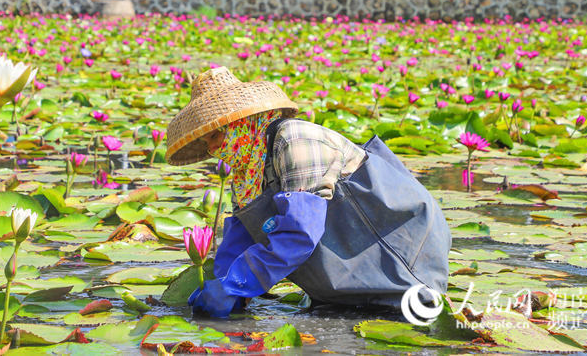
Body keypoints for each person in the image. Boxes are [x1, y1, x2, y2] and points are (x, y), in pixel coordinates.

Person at [165, 67, 450, 317]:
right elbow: (240, 239)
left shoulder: (295, 140)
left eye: (216, 135)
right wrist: (224, 284)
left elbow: (300, 234)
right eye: (206, 142)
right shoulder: (245, 174)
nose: (212, 149)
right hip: (343, 291)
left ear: (241, 122)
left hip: (401, 260)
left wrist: (236, 284)